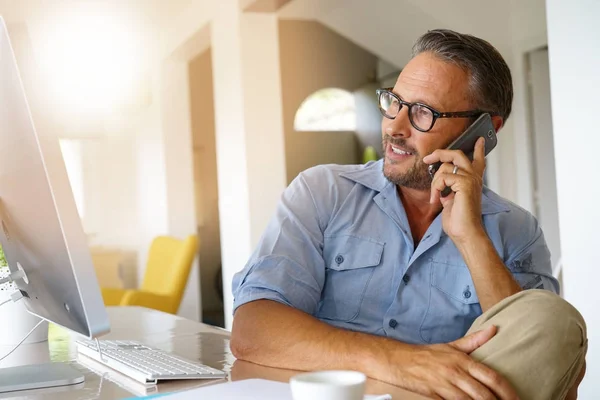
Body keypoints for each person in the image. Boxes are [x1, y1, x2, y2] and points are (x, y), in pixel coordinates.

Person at [230, 29, 587, 399]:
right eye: (394, 102)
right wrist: (400, 362)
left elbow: (549, 367)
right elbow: (252, 332)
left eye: (422, 113)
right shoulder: (322, 192)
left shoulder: (516, 230)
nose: (394, 128)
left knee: (557, 322)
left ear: (484, 131)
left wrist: (470, 237)